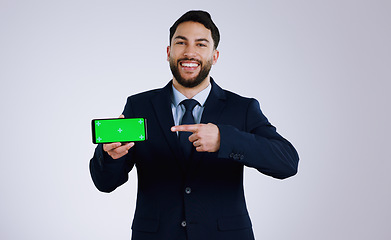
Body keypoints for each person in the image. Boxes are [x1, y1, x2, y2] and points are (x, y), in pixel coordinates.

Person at [90, 10, 299, 240]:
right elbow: (105, 183)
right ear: (169, 52)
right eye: (181, 43)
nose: (190, 52)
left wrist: (224, 140)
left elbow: (287, 162)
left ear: (215, 56)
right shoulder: (139, 106)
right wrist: (110, 156)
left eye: (201, 44)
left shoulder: (242, 108)